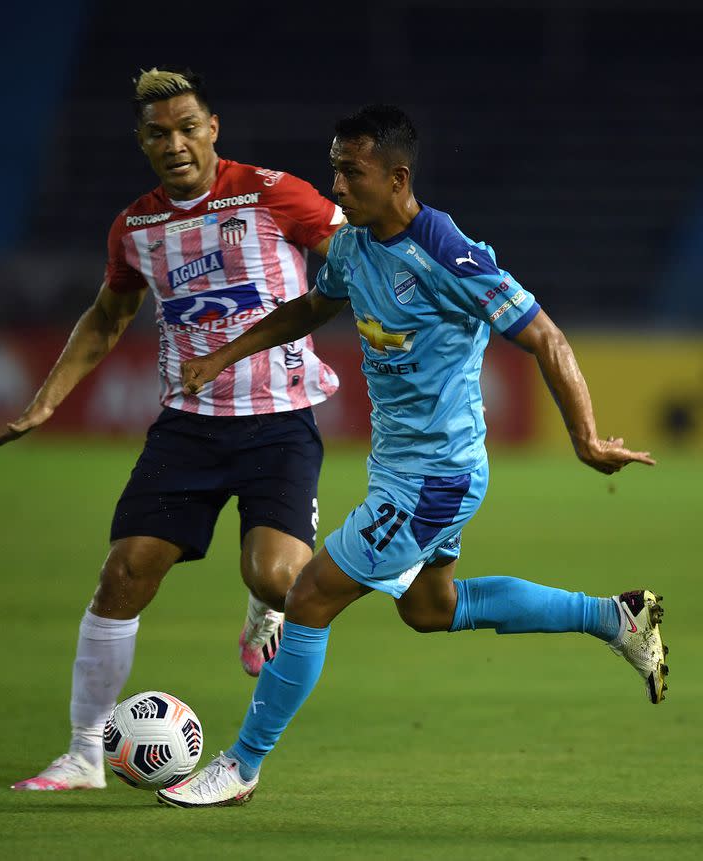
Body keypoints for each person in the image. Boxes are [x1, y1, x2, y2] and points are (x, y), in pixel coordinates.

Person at [154, 104, 667, 810]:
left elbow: (545, 336)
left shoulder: (448, 254)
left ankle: (241, 765)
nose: (335, 185)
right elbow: (312, 308)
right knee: (430, 607)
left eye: (351, 171)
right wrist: (225, 353)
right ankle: (616, 617)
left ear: (397, 178)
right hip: (402, 469)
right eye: (333, 167)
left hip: (436, 478)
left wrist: (584, 437)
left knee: (309, 597)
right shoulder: (355, 247)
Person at [0, 67, 345, 791]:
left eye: (186, 127)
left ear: (213, 128)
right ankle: (85, 751)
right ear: (141, 142)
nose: (174, 143)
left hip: (279, 421)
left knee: (274, 577)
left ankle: (265, 605)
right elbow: (109, 315)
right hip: (189, 429)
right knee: (123, 575)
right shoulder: (137, 227)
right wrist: (46, 401)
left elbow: (350, 261)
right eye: (157, 133)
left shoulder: (272, 192)